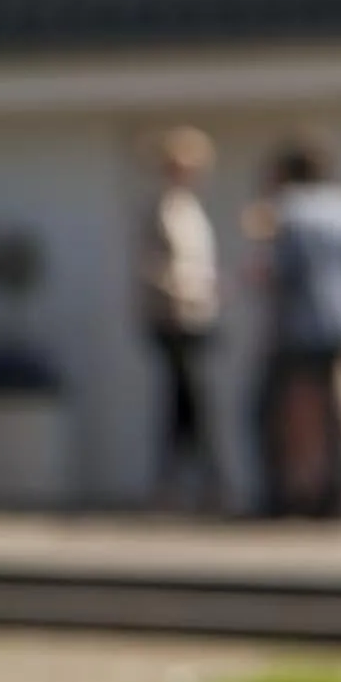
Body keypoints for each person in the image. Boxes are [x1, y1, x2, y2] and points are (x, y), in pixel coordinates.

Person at [253, 132, 341, 518]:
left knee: (290, 413)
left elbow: (279, 273)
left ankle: (298, 496)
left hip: (301, 326)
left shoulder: (288, 211)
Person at [136, 127, 222, 510]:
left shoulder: (192, 210)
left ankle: (191, 483)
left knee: (192, 404)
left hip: (198, 315)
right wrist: (179, 290)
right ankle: (189, 484)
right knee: (185, 402)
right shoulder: (163, 209)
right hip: (175, 316)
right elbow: (153, 266)